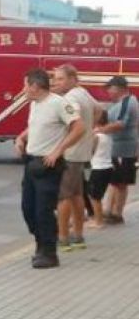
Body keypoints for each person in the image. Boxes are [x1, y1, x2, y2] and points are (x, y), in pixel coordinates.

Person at [14, 69, 84, 269]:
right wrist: (21, 138)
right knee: (28, 209)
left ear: (35, 86)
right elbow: (36, 127)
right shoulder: (35, 104)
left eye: (25, 85)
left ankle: (49, 252)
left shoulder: (59, 103)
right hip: (31, 163)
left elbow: (79, 128)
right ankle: (40, 243)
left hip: (48, 165)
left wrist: (58, 151)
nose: (24, 89)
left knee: (43, 210)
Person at [51, 65, 97, 251]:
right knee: (77, 195)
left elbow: (73, 122)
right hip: (81, 152)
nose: (56, 82)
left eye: (60, 79)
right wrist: (89, 134)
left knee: (64, 197)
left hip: (69, 154)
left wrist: (64, 143)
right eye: (55, 79)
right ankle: (78, 236)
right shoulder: (83, 93)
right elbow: (99, 110)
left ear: (72, 79)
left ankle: (63, 238)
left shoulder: (70, 98)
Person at [95, 76, 137, 224]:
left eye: (110, 88)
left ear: (119, 88)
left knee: (121, 182)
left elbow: (120, 124)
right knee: (114, 181)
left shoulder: (127, 102)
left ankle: (117, 213)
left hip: (123, 149)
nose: (108, 92)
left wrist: (100, 130)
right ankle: (109, 210)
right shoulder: (119, 103)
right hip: (117, 147)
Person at [88, 110, 114, 229]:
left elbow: (91, 151)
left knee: (94, 196)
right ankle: (99, 218)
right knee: (97, 195)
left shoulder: (97, 136)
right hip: (107, 167)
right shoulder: (108, 135)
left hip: (99, 168)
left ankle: (98, 221)